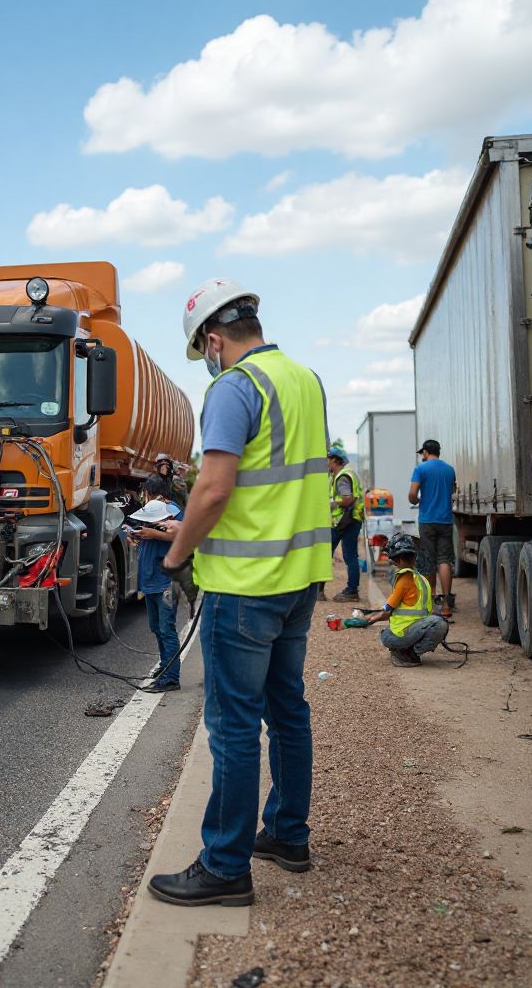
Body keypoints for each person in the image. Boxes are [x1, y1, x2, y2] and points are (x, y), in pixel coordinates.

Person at [149, 277, 331, 907]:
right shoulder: (305, 379)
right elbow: (272, 486)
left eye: (204, 352)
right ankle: (287, 834)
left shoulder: (234, 386)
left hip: (245, 588)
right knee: (288, 711)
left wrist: (178, 551)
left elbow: (216, 487)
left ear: (216, 339)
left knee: (231, 727)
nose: (208, 362)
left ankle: (224, 868)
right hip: (299, 579)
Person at [128, 475, 185, 693]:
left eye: (146, 493)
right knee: (156, 628)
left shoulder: (171, 509)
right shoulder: (152, 511)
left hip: (166, 581)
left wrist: (151, 533)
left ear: (152, 493)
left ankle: (171, 677)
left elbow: (180, 533)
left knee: (166, 628)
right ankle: (165, 666)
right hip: (152, 580)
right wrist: (137, 536)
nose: (144, 497)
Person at [364, 532, 449, 667]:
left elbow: (387, 610)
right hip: (403, 634)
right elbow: (389, 608)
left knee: (438, 622)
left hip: (405, 633)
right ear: (414, 557)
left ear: (396, 560)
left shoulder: (407, 579)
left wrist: (370, 620)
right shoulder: (420, 579)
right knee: (439, 623)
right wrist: (372, 617)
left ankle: (407, 652)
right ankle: (407, 652)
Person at [409, 439, 457, 619]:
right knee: (444, 560)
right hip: (445, 520)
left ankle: (430, 602)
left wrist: (416, 501)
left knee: (428, 560)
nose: (422, 456)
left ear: (426, 452)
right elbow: (453, 492)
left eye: (423, 453)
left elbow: (413, 494)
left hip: (427, 520)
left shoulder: (420, 469)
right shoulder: (449, 469)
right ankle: (446, 604)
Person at [327, 445, 364, 603]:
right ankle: (350, 590)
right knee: (349, 556)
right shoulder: (344, 475)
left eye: (327, 459)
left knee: (347, 556)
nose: (326, 462)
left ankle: (351, 591)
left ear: (335, 460)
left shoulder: (342, 476)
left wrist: (331, 504)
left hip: (345, 521)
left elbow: (348, 499)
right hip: (349, 520)